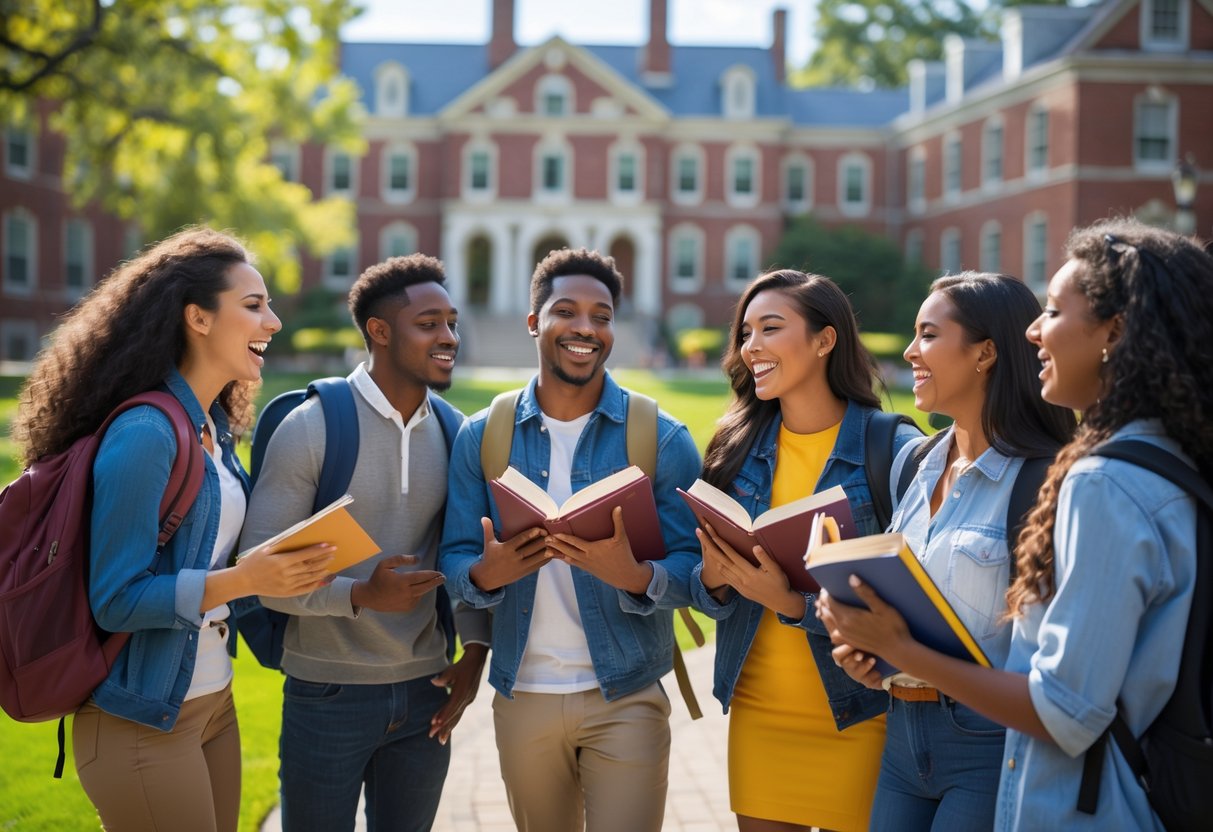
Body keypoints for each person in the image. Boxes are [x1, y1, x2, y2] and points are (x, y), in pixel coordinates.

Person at [821, 220, 1213, 830]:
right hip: (920, 740)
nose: (1034, 330)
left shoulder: (1100, 483)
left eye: (1053, 311)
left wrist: (900, 647)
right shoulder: (1172, 459)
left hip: (1083, 797)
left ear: (1115, 333)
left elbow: (1066, 709)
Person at [9, 228, 335, 832]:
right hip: (142, 722)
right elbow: (116, 598)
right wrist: (242, 580)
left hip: (213, 703)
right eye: (254, 305)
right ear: (198, 319)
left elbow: (203, 554)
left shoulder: (214, 429)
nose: (275, 321)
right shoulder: (147, 434)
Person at [438, 247, 702, 832]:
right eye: (567, 311)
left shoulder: (659, 437)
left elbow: (699, 571)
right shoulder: (484, 436)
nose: (585, 328)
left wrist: (636, 576)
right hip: (523, 695)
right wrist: (486, 575)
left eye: (602, 316)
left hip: (627, 693)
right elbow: (454, 556)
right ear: (534, 322)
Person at [238, 254, 491, 832]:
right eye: (429, 324)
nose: (449, 337)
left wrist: (474, 653)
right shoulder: (311, 429)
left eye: (451, 323)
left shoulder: (458, 434)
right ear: (379, 331)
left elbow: (465, 559)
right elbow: (255, 574)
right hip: (327, 693)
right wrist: (359, 595)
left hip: (428, 690)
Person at [822, 272, 1075, 830]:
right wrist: (869, 654)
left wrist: (902, 650)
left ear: (985, 352)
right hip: (900, 735)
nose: (910, 351)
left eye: (928, 335)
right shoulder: (916, 464)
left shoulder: (1046, 482)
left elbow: (1049, 661)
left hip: (989, 743)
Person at [687, 269, 920, 832]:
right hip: (759, 711)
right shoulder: (733, 448)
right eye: (745, 333)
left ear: (824, 339)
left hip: (861, 715)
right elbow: (707, 595)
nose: (752, 347)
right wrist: (716, 579)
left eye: (771, 328)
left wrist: (789, 603)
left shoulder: (894, 448)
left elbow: (910, 611)